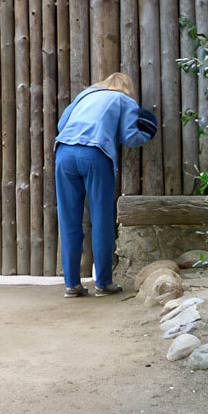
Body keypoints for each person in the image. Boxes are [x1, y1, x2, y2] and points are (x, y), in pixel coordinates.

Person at [54, 72, 158, 298]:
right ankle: (103, 283)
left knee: (69, 220)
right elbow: (130, 137)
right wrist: (149, 131)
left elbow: (62, 124)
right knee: (101, 220)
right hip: (95, 154)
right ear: (126, 88)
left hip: (64, 153)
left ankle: (72, 285)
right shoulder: (124, 100)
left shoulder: (84, 95)